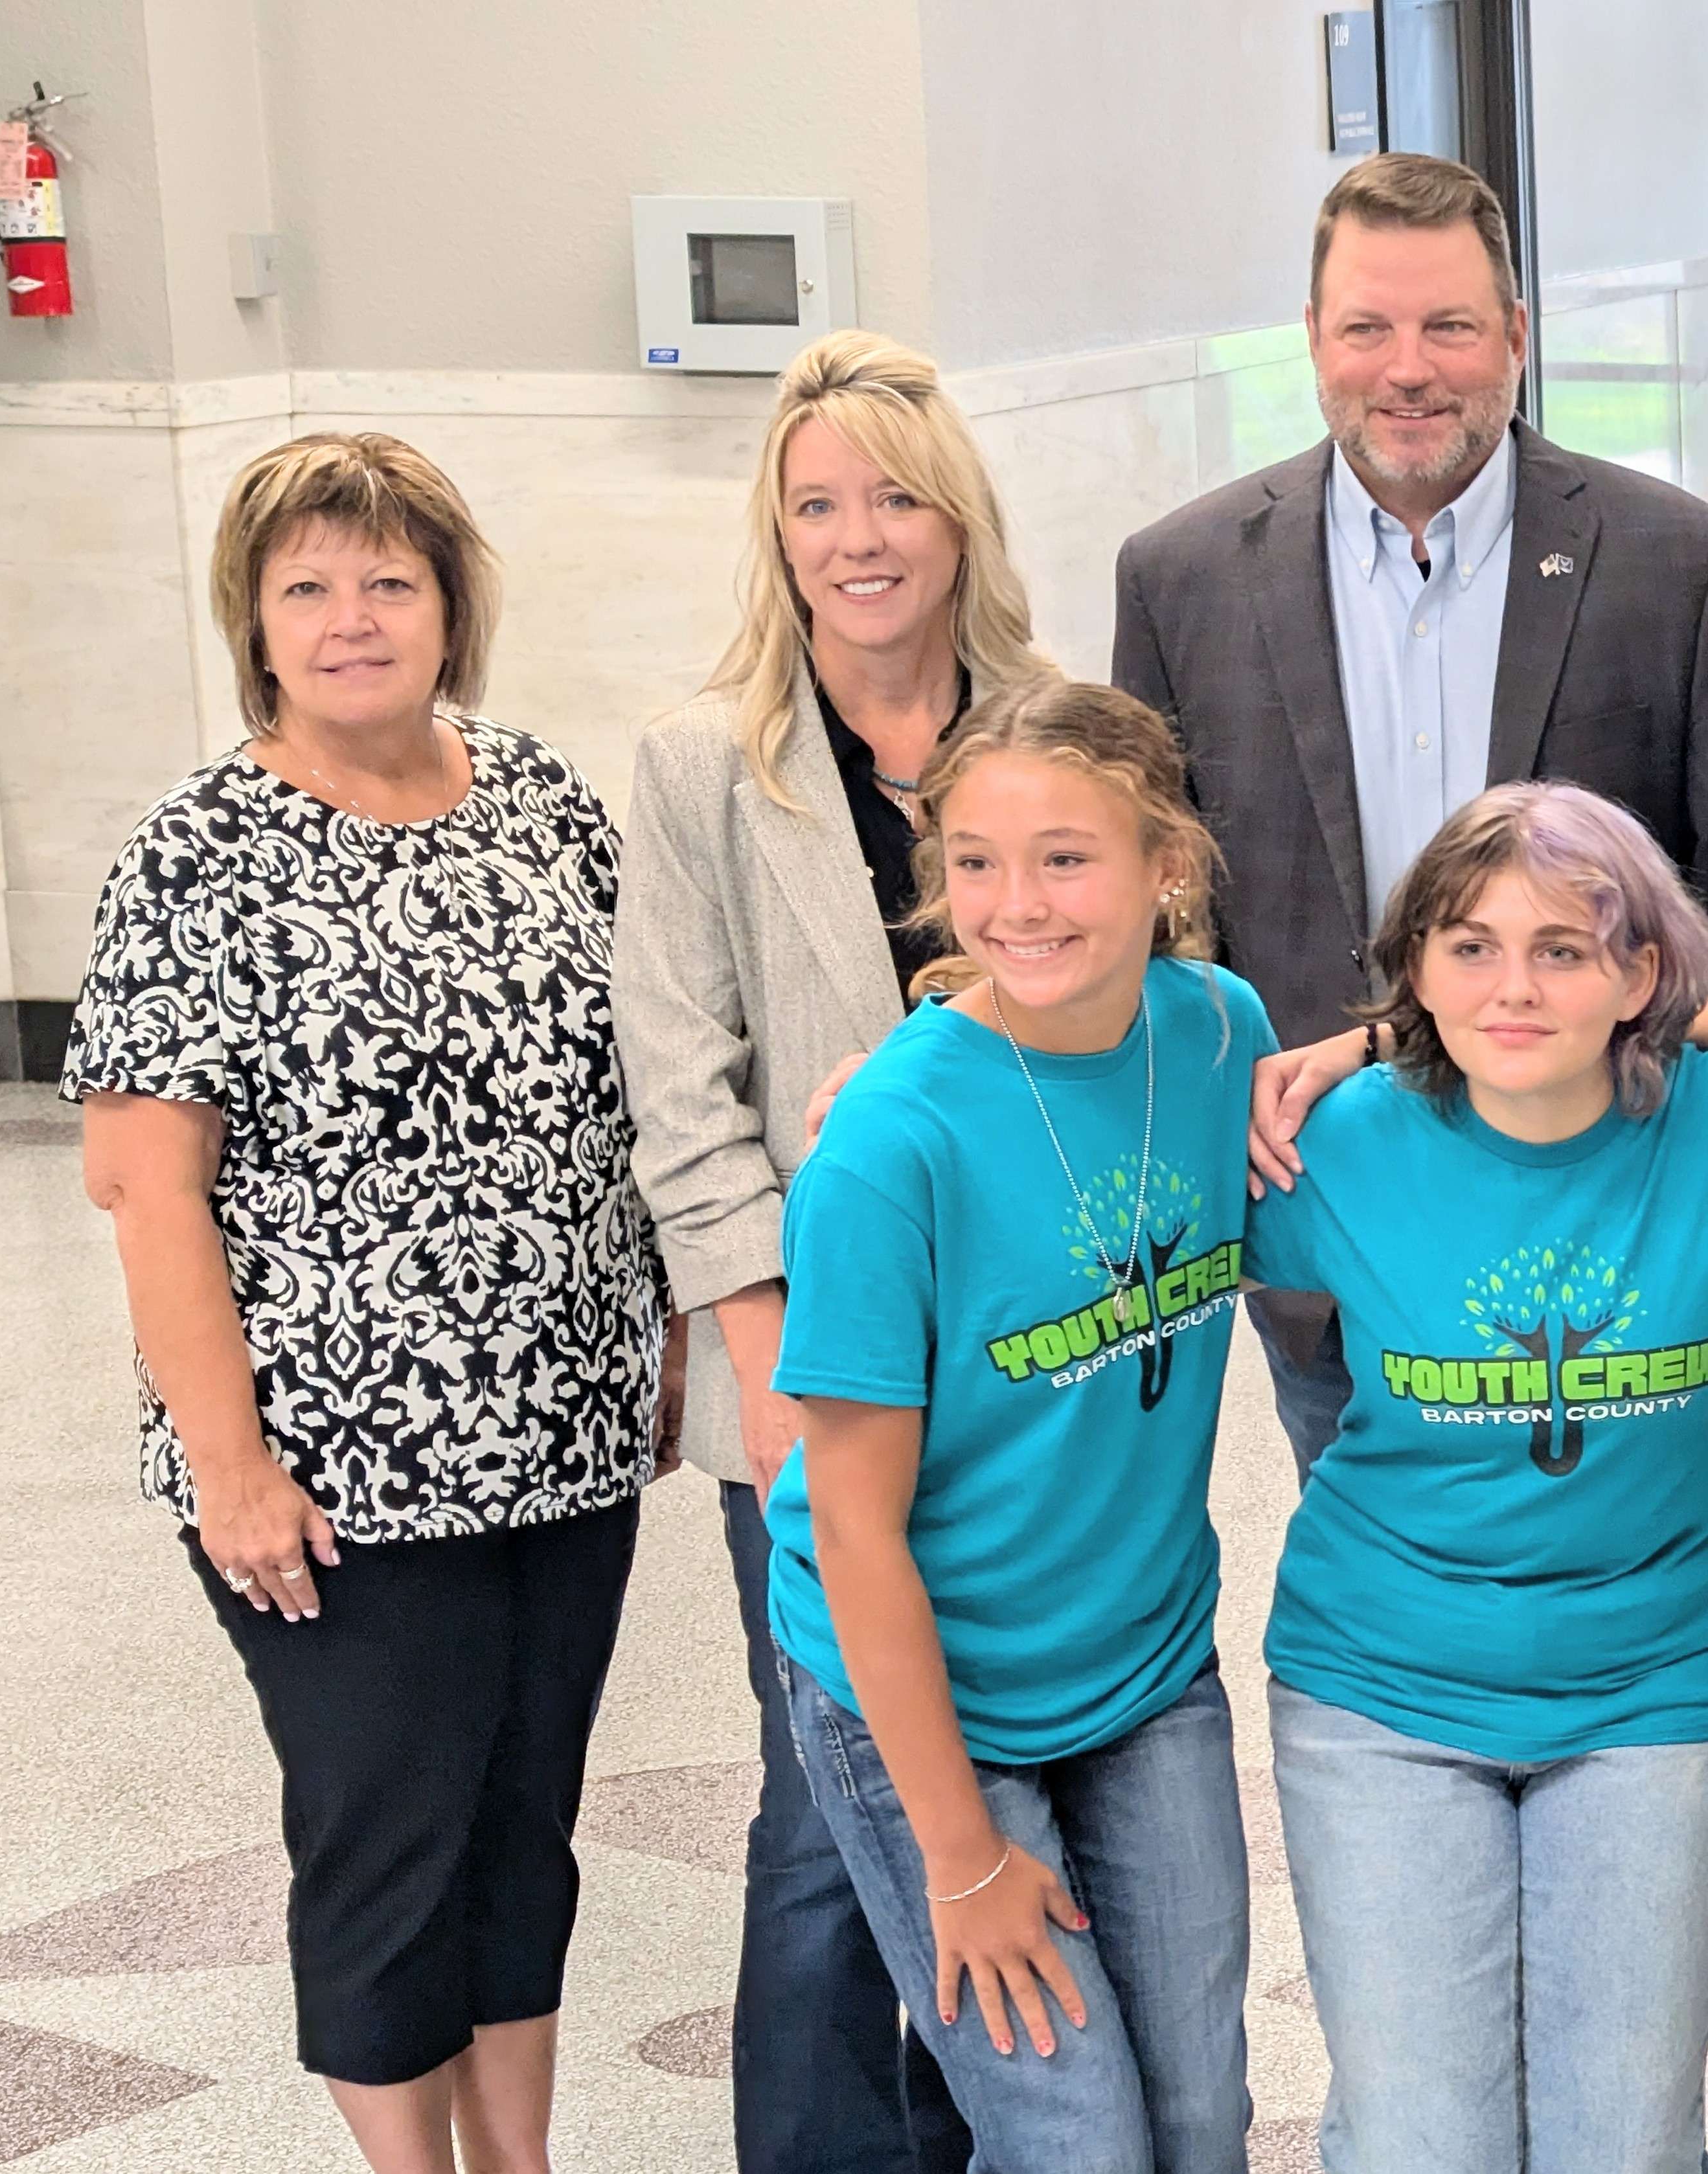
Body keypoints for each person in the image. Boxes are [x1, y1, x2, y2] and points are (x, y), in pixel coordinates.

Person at [70, 433, 669, 2174]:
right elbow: (144, 1184)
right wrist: (231, 1464)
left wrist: (674, 1332)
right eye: (309, 587)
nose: (352, 618)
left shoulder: (545, 798)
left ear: (449, 605)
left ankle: (520, 2160)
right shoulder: (197, 851)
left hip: (563, 1441)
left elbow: (643, 1085)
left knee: (522, 1828)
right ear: (254, 624)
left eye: (389, 581)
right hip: (332, 1474)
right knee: (385, 1831)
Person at [1111, 150, 1708, 1473]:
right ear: (1313, 340)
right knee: (1382, 1582)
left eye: (1450, 326)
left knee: (1610, 1597)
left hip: (1612, 1215)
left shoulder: (1677, 566)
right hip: (1332, 1214)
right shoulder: (1180, 581)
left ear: (1519, 338)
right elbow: (1161, 918)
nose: (1408, 367)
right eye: (1367, 327)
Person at [1233, 782, 1708, 2173]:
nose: (1512, 986)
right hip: (1381, 1685)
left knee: (1623, 2145)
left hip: (1650, 1688)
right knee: (1419, 2144)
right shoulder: (1331, 1140)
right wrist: (915, 1069)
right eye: (1467, 946)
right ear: (1412, 971)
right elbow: (1087, 1158)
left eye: (1566, 949)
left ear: (1639, 967)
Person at [619, 326, 1050, 2174]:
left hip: (1029, 1377)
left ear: (955, 518)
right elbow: (682, 1091)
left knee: (1005, 1772)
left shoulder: (1057, 735)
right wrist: (766, 1351)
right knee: (822, 1806)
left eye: (891, 495)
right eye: (816, 504)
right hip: (806, 1378)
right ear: (776, 537)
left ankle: (984, 2135)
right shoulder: (702, 767)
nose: (857, 535)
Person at [768, 681, 1266, 2174]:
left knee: (1200, 2117)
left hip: (1142, 1660)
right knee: (1076, 2142)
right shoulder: (889, 1143)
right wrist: (963, 1857)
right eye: (975, 861)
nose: (1015, 903)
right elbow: (853, 1529)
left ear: (1167, 861)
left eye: (1066, 856)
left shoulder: (1220, 1029)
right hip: (925, 1697)